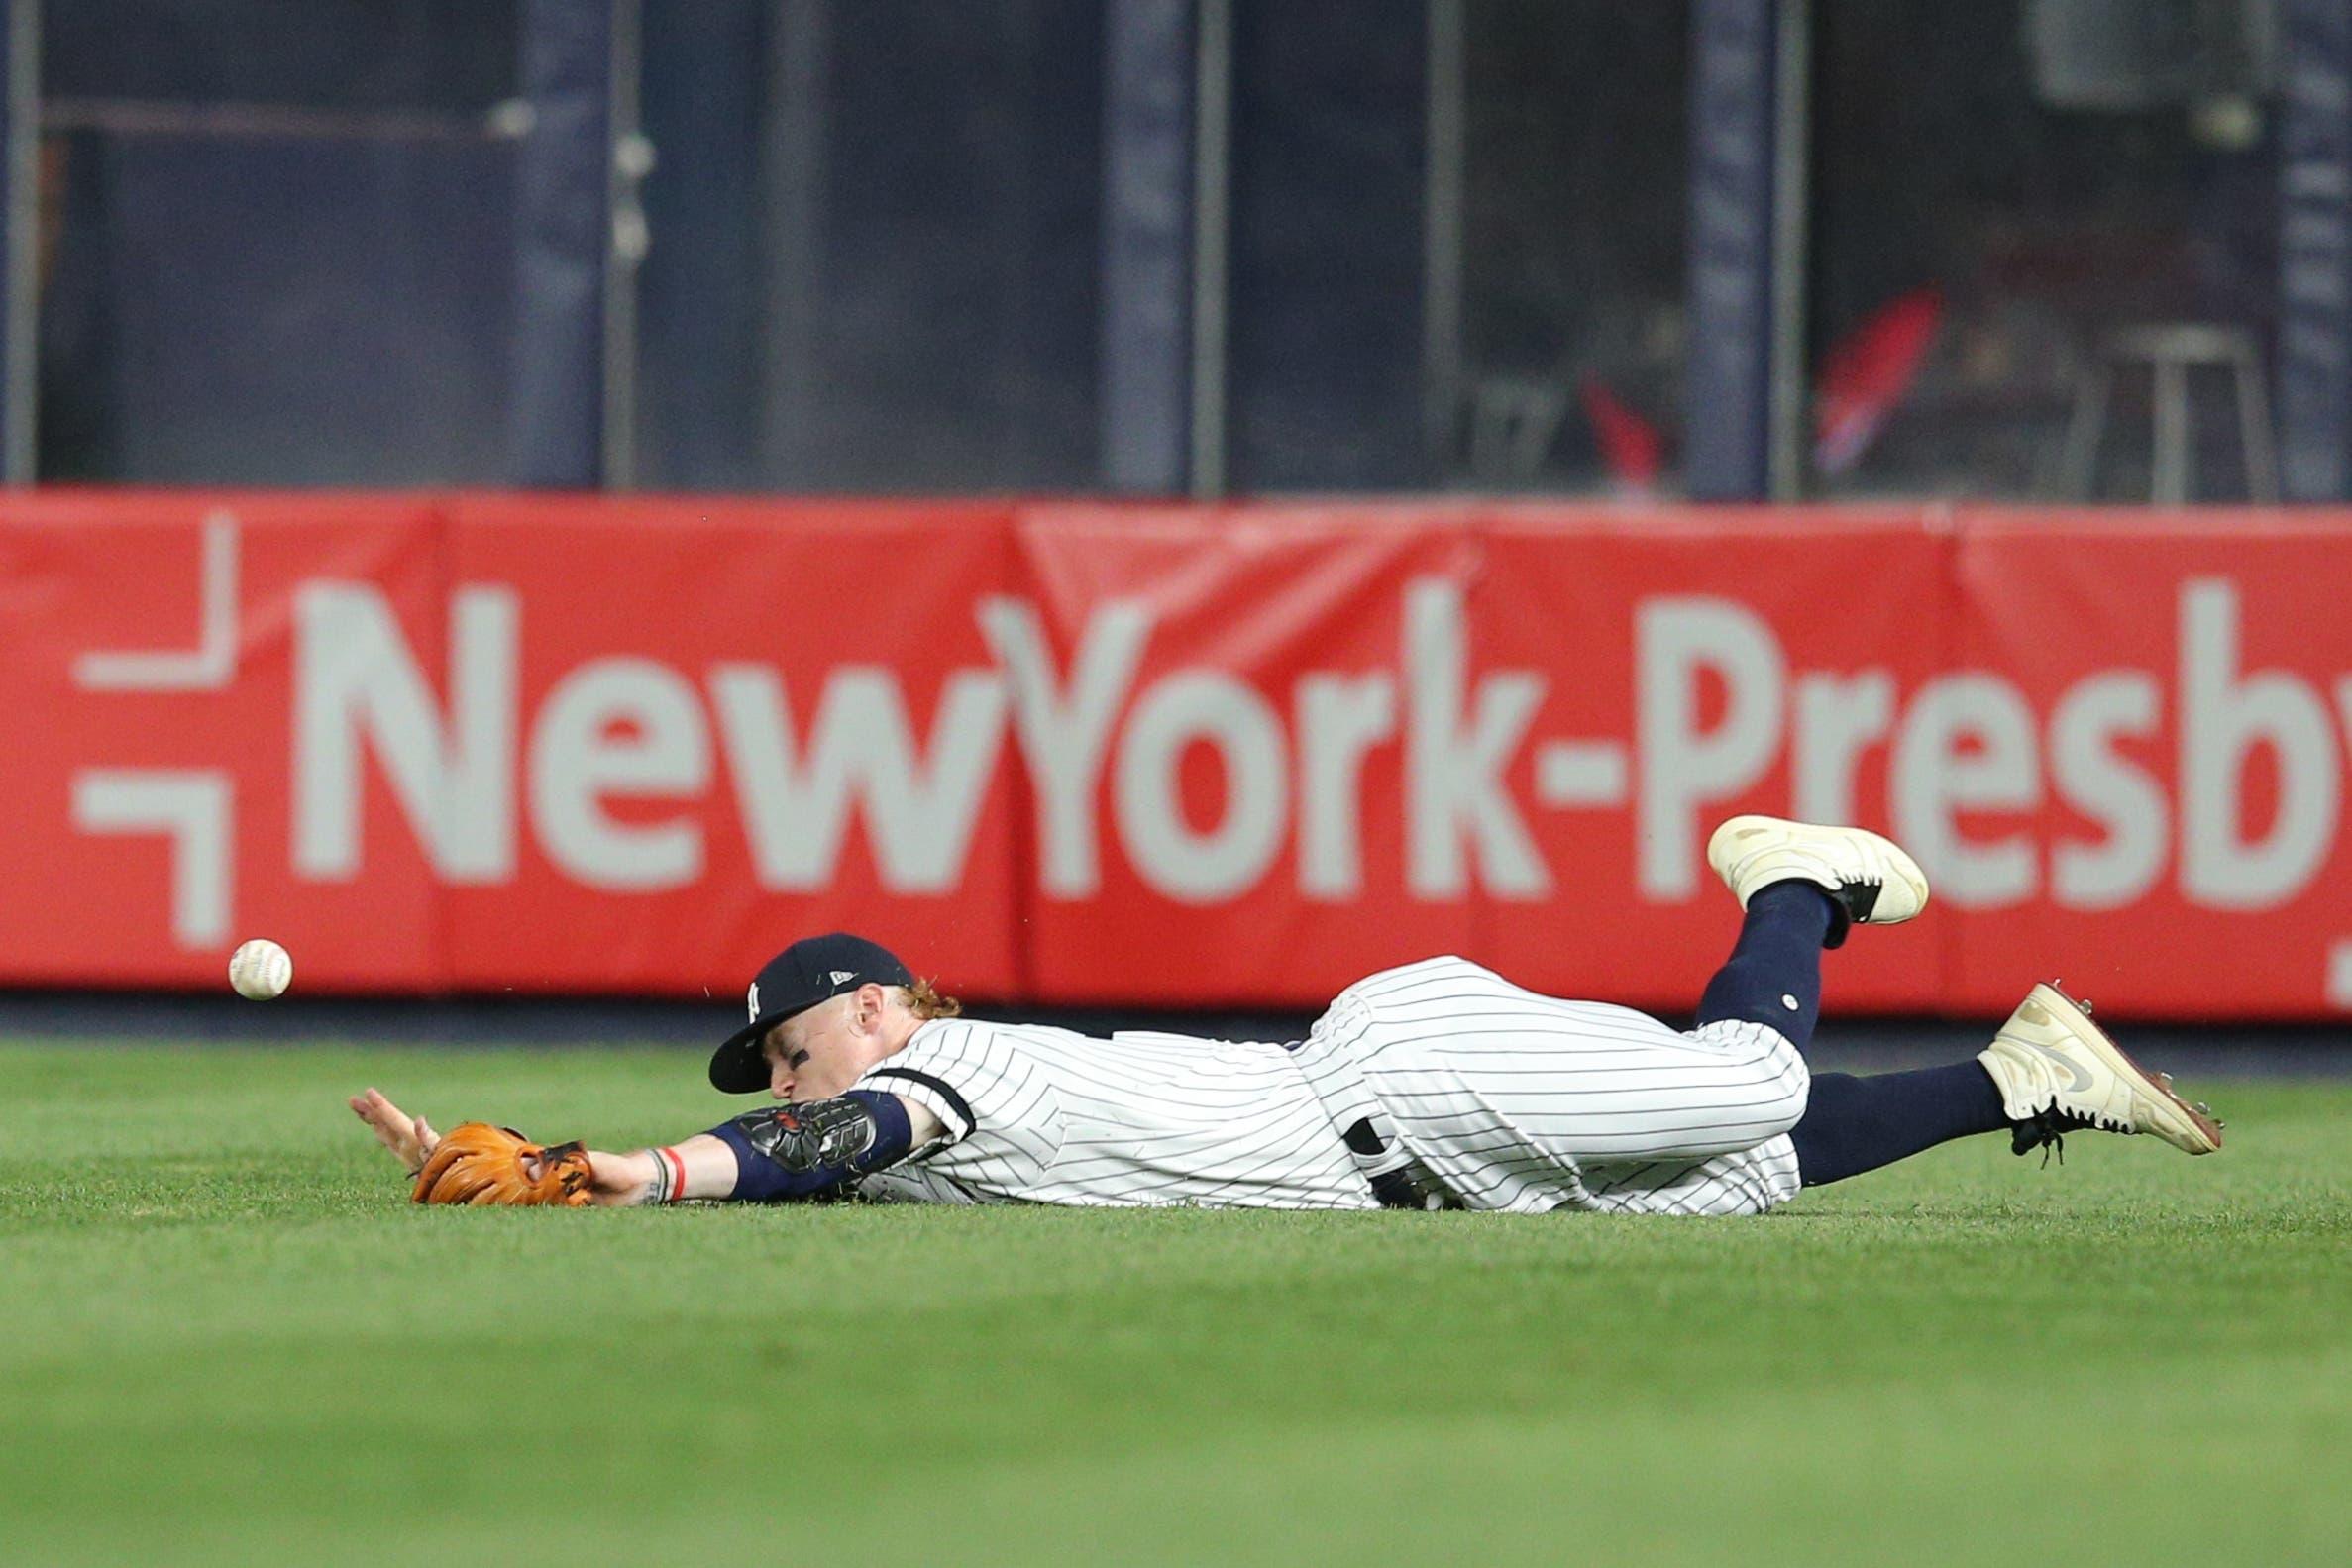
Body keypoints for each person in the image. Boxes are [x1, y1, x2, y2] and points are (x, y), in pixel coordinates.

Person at [351, 816, 2222, 1214]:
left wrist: (635, 1174)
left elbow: (847, 1131)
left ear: (889, 1001)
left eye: (794, 1034)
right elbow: (818, 1151)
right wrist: (508, 1157)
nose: (786, 1068)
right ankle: (2014, 1071)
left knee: (1742, 1071)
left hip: (1401, 1074)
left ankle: (1783, 885)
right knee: (1740, 1177)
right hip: (1419, 1181)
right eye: (767, 1059)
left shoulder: (940, 1064)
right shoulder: (881, 1132)